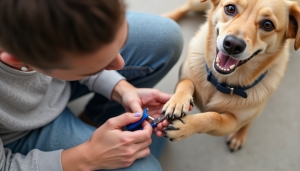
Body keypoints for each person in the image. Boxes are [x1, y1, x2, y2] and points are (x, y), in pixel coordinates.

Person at [0, 0, 183, 171]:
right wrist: (89, 156)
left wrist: (122, 89)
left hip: (56, 78)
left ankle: (92, 120)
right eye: (99, 66)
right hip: (20, 132)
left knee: (163, 37)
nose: (120, 65)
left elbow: (80, 50)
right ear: (20, 60)